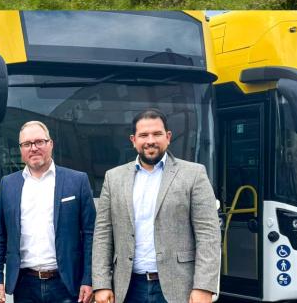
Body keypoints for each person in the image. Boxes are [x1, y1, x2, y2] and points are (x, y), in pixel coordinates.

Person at [93, 109, 221, 303]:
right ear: (133, 140)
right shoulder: (114, 178)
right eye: (143, 135)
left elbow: (208, 234)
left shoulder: (194, 174)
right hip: (128, 288)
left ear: (168, 137)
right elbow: (103, 233)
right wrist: (101, 284)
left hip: (179, 287)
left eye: (157, 134)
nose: (150, 140)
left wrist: (204, 286)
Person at [0, 121, 96, 303]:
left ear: (50, 144)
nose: (33, 148)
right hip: (24, 285)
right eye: (27, 144)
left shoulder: (77, 181)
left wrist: (88, 279)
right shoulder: (8, 184)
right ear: (21, 149)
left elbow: (90, 235)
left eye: (39, 142)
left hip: (67, 284)